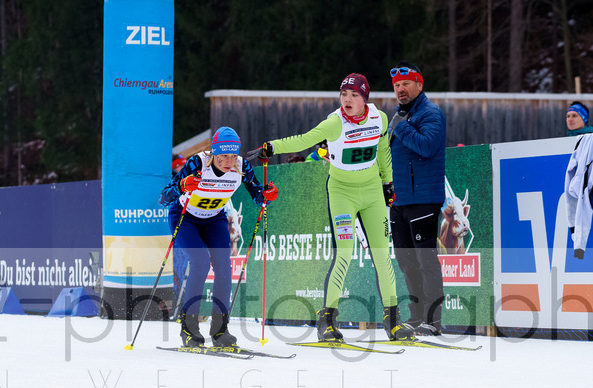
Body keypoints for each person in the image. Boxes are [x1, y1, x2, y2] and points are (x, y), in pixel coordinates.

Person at [248, 73, 414, 343]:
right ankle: (327, 321)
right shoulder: (334, 123)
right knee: (344, 254)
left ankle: (393, 320)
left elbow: (383, 148)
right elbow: (304, 140)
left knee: (383, 256)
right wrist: (271, 147)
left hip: (372, 192)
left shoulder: (379, 119)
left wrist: (387, 182)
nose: (347, 100)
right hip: (342, 193)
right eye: (344, 94)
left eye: (354, 95)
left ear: (365, 99)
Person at [160, 126, 277, 347]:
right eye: (223, 155)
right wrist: (182, 186)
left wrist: (267, 196)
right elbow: (163, 198)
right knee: (201, 262)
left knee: (224, 267)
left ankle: (220, 330)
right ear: (214, 152)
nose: (228, 161)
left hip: (214, 220)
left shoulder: (241, 166)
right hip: (185, 218)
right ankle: (189, 328)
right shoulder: (198, 164)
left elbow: (259, 197)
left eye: (233, 155)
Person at [388, 61, 448, 336]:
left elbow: (427, 146)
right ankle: (415, 317)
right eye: (397, 86)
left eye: (406, 84)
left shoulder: (431, 113)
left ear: (419, 85)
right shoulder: (399, 115)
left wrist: (400, 126)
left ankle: (432, 320)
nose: (400, 89)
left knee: (425, 260)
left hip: (423, 198)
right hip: (398, 200)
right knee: (405, 260)